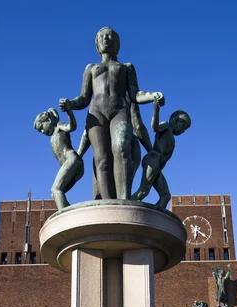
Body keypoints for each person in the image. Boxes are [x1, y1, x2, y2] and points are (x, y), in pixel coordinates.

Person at [59, 27, 164, 200]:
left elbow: (135, 94)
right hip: (96, 113)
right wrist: (70, 103)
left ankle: (124, 200)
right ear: (97, 45)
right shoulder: (91, 68)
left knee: (122, 147)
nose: (106, 38)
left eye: (110, 36)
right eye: (102, 36)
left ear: (117, 45)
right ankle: (108, 204)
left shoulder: (126, 67)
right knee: (102, 159)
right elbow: (84, 98)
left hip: (120, 110)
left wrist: (152, 96)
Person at [131, 103, 191, 209]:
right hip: (153, 160)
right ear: (177, 121)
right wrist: (156, 110)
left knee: (166, 196)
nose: (183, 131)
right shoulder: (166, 126)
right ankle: (122, 204)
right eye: (184, 127)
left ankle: (154, 220)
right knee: (143, 191)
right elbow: (155, 127)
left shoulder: (172, 137)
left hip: (157, 166)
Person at [34, 101, 84, 211]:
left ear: (48, 120)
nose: (42, 131)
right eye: (40, 131)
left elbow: (72, 126)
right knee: (55, 193)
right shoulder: (52, 139)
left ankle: (66, 218)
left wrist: (69, 112)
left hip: (72, 160)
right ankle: (71, 213)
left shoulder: (59, 127)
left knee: (56, 190)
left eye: (42, 127)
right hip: (71, 165)